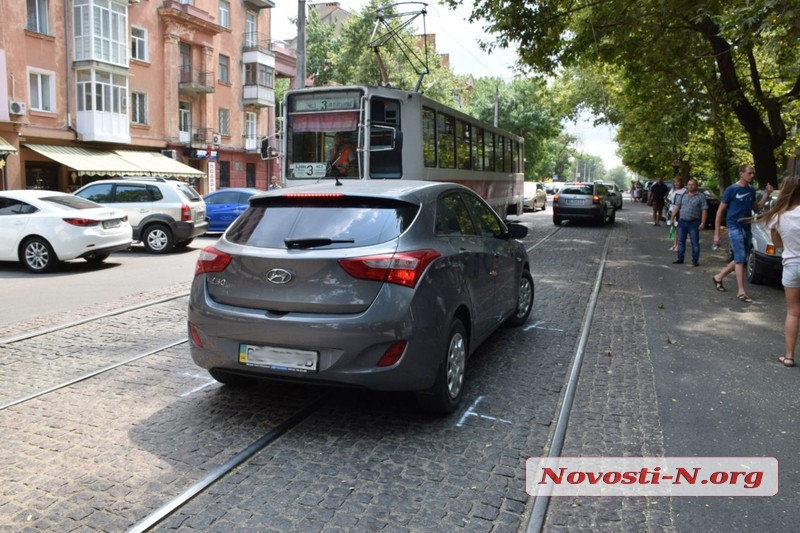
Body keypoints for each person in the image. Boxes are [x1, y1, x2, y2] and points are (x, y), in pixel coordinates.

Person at [711, 164, 774, 303]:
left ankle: (718, 277)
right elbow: (720, 211)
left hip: (747, 227)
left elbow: (756, 209)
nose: (752, 175)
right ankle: (741, 291)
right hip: (734, 227)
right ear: (741, 174)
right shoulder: (731, 190)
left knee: (741, 258)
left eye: (753, 173)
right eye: (750, 173)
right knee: (740, 258)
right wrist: (717, 234)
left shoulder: (751, 190)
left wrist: (767, 194)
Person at [759, 175, 800, 366]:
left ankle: (789, 356)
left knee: (793, 312)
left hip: (791, 265)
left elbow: (776, 243)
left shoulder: (778, 216)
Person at [671, 178, 707, 266]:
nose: (690, 186)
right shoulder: (683, 194)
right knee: (681, 241)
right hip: (682, 222)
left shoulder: (701, 196)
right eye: (689, 184)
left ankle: (695, 260)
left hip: (694, 223)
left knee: (694, 242)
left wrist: (703, 222)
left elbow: (704, 210)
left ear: (696, 186)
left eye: (693, 184)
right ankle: (680, 258)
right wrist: (672, 217)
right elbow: (677, 206)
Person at [667, 177, 686, 250]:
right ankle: (675, 244)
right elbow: (669, 199)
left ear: (681, 183)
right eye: (675, 182)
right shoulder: (672, 190)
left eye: (678, 182)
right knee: (673, 228)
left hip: (679, 211)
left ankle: (679, 245)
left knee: (679, 228)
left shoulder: (684, 191)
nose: (676, 183)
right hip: (672, 209)